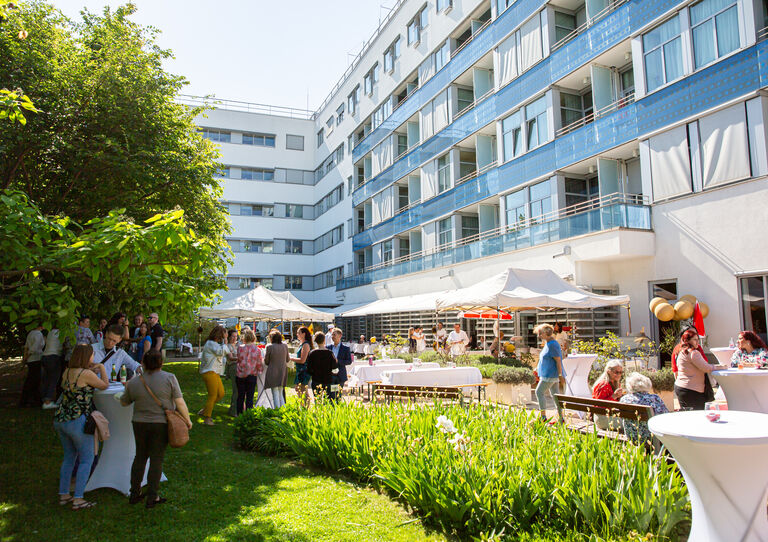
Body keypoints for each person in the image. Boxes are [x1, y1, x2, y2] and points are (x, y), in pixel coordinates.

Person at [121, 350, 192, 508]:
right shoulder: (169, 378)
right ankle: (153, 496)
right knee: (156, 459)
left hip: (139, 423)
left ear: (144, 363)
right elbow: (179, 402)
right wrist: (187, 420)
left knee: (140, 457)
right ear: (161, 362)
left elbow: (124, 402)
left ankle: (135, 492)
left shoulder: (134, 382)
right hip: (160, 423)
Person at [53, 344, 108, 510]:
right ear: (86, 357)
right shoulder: (86, 374)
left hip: (61, 419)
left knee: (69, 457)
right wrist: (102, 368)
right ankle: (78, 498)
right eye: (91, 355)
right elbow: (104, 385)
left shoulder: (67, 371)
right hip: (78, 420)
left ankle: (64, 494)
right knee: (86, 459)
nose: (93, 357)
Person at [675, 328, 726, 410]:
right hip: (692, 390)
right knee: (696, 415)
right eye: (694, 339)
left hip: (681, 387)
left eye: (698, 339)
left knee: (687, 415)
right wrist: (722, 367)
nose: (697, 342)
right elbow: (706, 368)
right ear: (687, 341)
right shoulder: (693, 353)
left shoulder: (681, 351)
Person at [619, 372, 669, 445]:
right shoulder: (654, 399)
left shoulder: (624, 399)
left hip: (632, 437)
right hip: (652, 437)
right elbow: (665, 416)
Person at [533, 324, 565, 422]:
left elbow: (558, 360)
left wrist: (560, 375)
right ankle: (561, 417)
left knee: (539, 392)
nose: (539, 336)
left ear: (546, 333)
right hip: (548, 374)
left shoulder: (553, 345)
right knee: (555, 396)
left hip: (550, 375)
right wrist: (537, 369)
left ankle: (543, 417)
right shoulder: (548, 343)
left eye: (540, 333)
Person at [199, 325, 227, 425]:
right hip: (209, 372)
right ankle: (207, 418)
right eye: (224, 334)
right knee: (213, 395)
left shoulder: (213, 344)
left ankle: (205, 410)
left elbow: (224, 352)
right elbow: (220, 352)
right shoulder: (211, 344)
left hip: (214, 372)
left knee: (221, 393)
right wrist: (226, 341)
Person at [235, 328, 263, 415]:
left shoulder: (240, 348)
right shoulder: (257, 350)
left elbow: (239, 360)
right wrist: (260, 372)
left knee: (240, 396)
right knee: (250, 397)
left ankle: (239, 414)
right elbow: (259, 363)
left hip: (240, 374)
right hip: (252, 374)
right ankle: (248, 415)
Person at [306, 332, 339, 401]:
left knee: (317, 400)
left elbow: (309, 368)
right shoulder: (330, 353)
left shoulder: (312, 353)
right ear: (324, 340)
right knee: (329, 400)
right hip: (328, 380)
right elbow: (335, 367)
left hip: (316, 379)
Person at [19, 324, 45, 407]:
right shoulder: (38, 334)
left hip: (31, 360)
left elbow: (26, 347)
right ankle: (33, 400)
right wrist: (27, 356)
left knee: (31, 379)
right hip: (36, 358)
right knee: (34, 380)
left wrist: (25, 357)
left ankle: (31, 399)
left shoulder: (31, 333)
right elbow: (34, 348)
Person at [264, 330, 289, 408]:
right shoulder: (285, 346)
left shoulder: (269, 347)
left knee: (275, 392)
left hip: (273, 371)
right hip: (283, 371)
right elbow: (287, 359)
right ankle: (283, 409)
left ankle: (277, 410)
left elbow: (266, 361)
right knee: (280, 392)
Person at [41, 327, 63, 409]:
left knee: (46, 379)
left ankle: (44, 400)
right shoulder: (61, 332)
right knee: (53, 379)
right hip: (54, 356)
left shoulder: (50, 332)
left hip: (45, 356)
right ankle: (48, 402)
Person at [291, 326, 313, 404]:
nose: (297, 334)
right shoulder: (302, 344)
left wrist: (290, 358)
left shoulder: (305, 345)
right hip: (300, 371)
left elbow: (302, 360)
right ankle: (303, 407)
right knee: (299, 390)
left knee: (303, 391)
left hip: (304, 371)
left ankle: (306, 409)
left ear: (303, 334)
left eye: (298, 333)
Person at [224, 329, 240, 417]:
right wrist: (241, 357)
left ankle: (236, 408)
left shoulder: (237, 345)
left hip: (239, 368)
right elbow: (230, 358)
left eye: (236, 336)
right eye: (233, 336)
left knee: (239, 389)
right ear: (229, 337)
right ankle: (233, 410)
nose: (234, 338)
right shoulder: (228, 346)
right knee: (236, 389)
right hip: (233, 368)